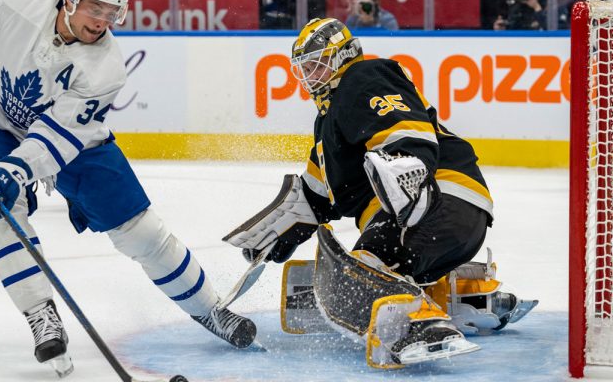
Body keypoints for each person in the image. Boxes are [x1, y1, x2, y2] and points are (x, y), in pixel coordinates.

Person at [0, 0, 256, 376]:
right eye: (95, 6)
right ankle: (42, 314)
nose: (102, 20)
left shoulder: (107, 68)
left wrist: (16, 170)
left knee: (141, 232)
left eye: (113, 11)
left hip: (74, 145)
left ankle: (211, 309)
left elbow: (55, 139)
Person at [223, 18, 535, 367]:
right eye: (304, 67)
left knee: (362, 270)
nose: (310, 74)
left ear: (342, 55)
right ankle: (467, 297)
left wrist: (412, 187)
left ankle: (418, 324)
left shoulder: (362, 77)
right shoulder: (328, 120)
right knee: (377, 266)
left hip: (441, 202)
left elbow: (407, 138)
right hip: (446, 218)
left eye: (317, 63)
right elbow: (316, 196)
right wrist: (282, 232)